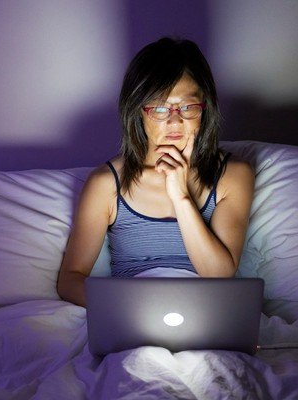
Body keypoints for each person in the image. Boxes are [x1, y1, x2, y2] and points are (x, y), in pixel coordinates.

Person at [56, 37, 255, 307]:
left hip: (204, 312)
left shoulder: (233, 175)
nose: (175, 120)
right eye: (160, 108)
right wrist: (127, 305)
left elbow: (219, 274)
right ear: (137, 111)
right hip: (131, 312)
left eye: (187, 107)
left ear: (205, 109)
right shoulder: (106, 183)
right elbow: (70, 279)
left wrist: (181, 197)